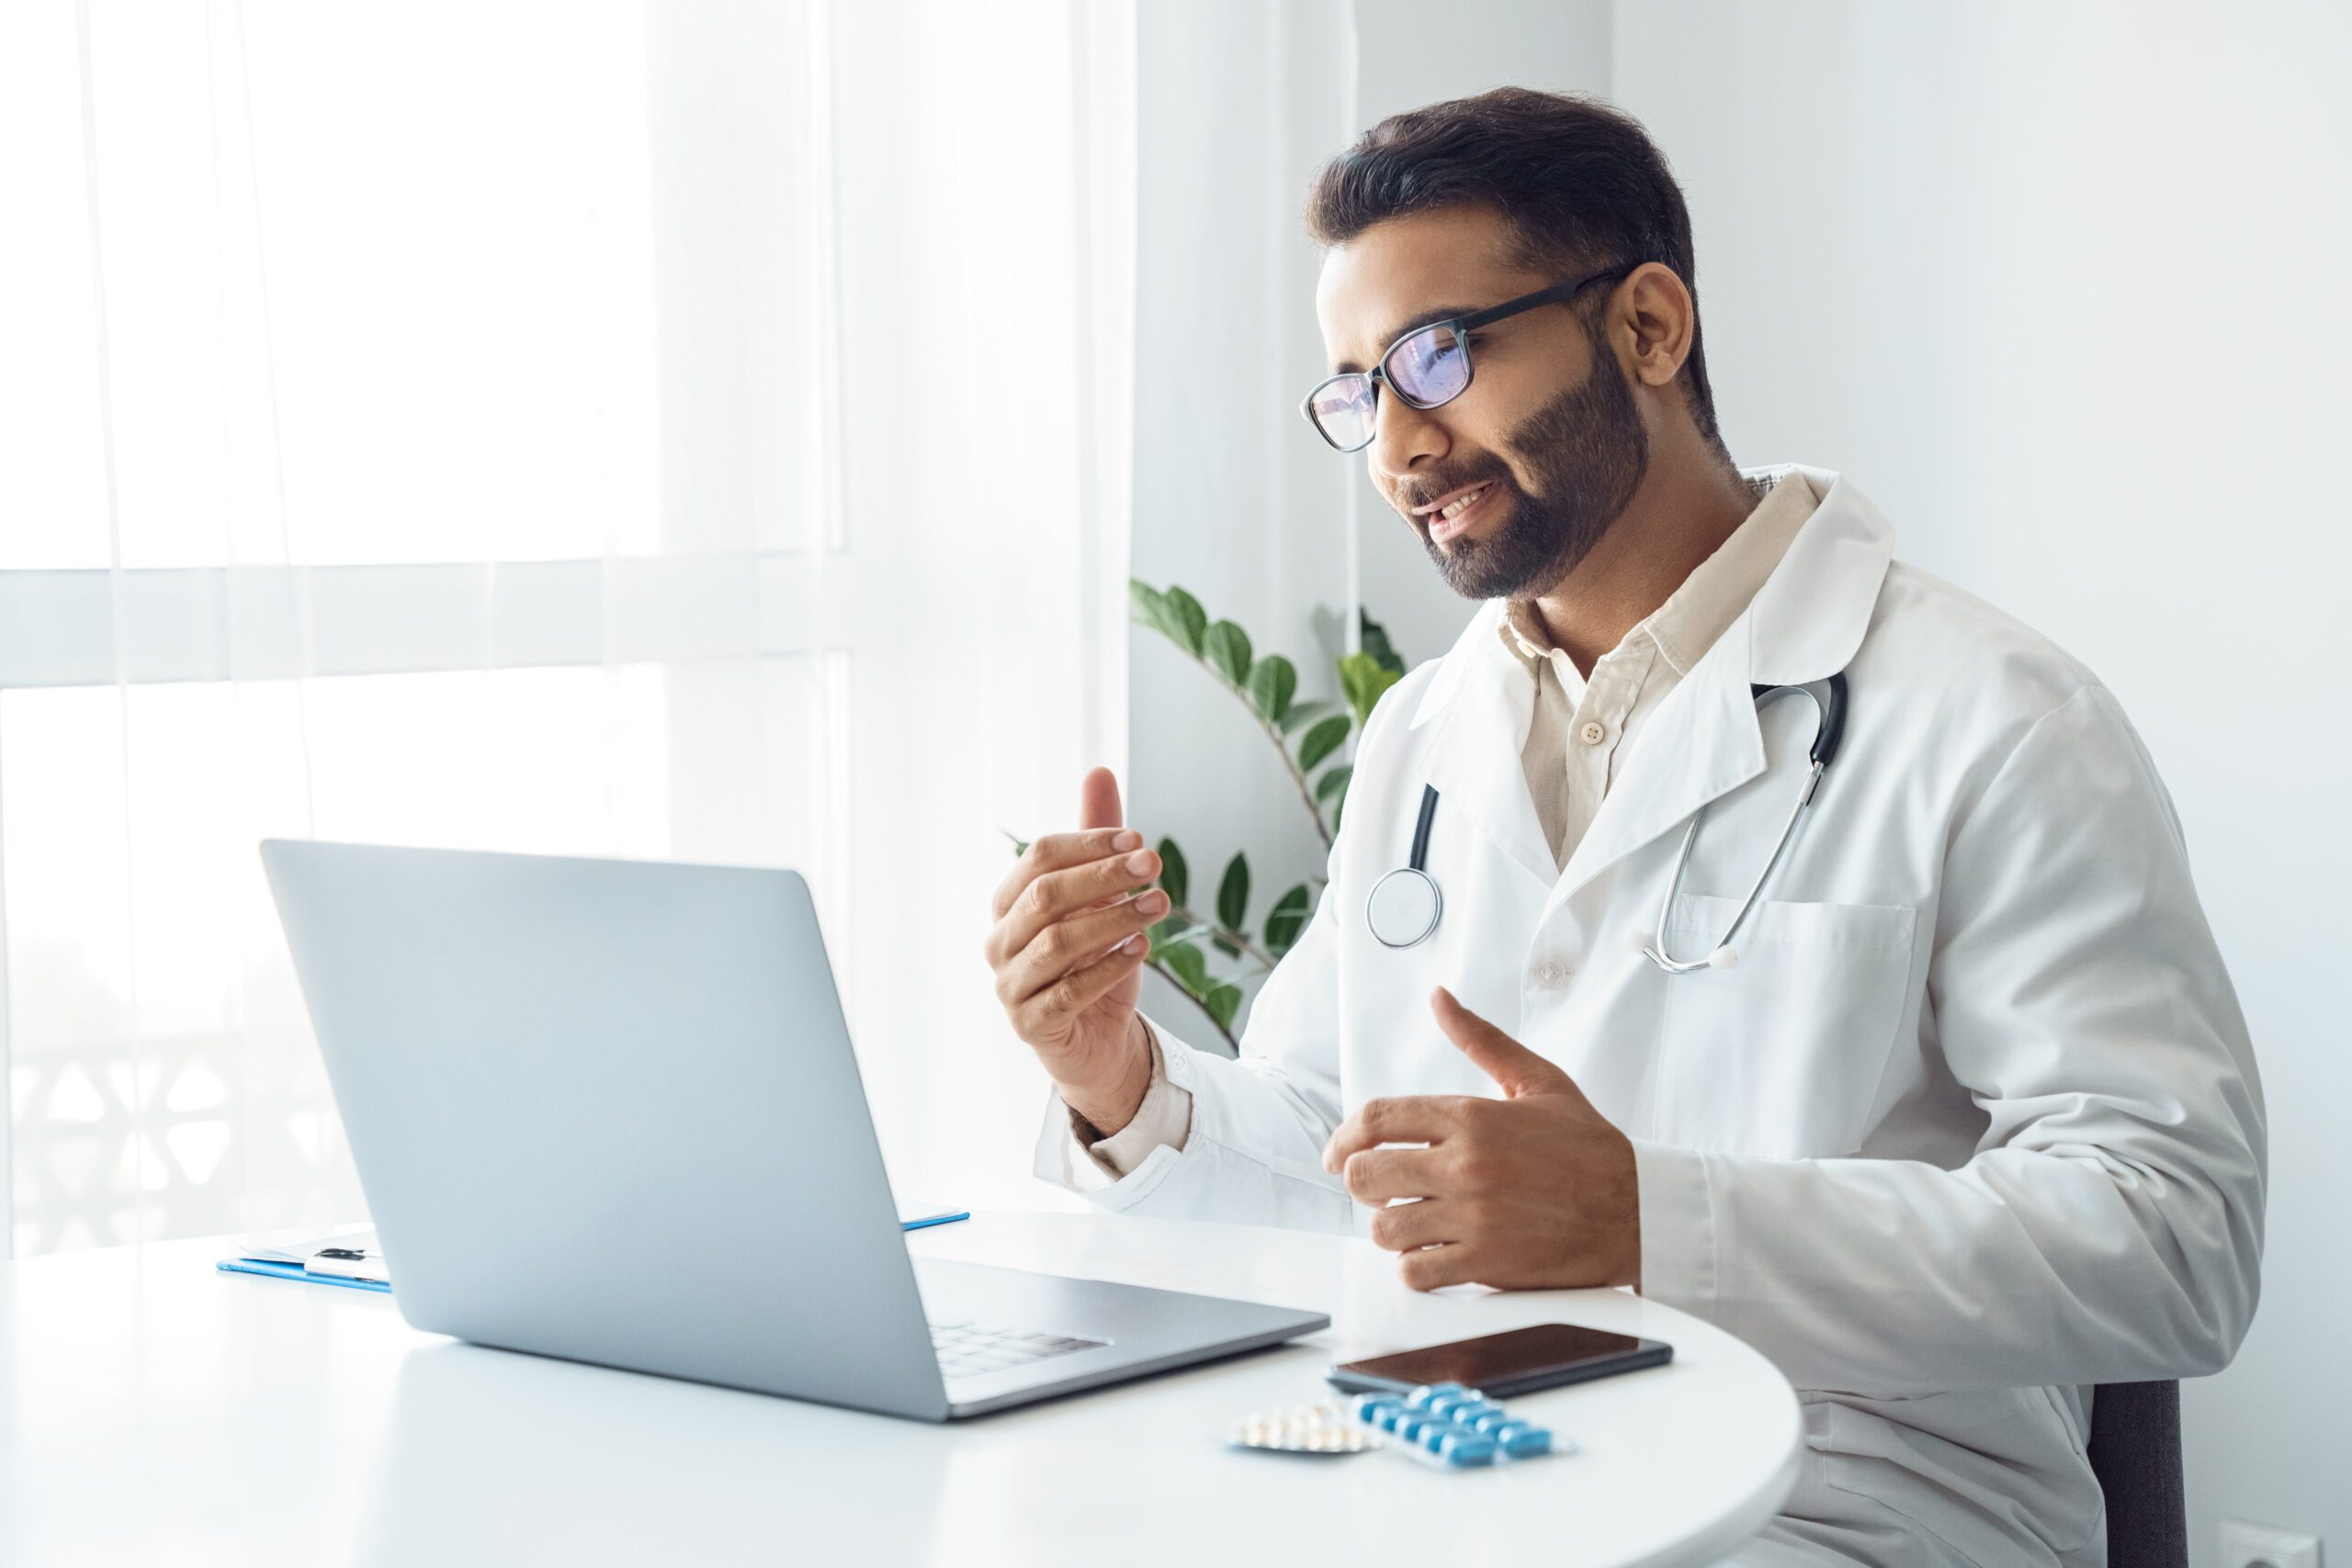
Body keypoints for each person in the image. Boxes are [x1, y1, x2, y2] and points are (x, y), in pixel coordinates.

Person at [980, 88, 2263, 1566]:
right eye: (1358, 392)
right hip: (1463, 1465)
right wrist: (1121, 1083)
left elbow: (2178, 1240)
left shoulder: (1998, 719)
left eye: (1438, 356)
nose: (1399, 447)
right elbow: (1337, 1153)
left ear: (1649, 329)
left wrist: (1660, 1220)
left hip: (1850, 1506)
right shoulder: (1426, 737)